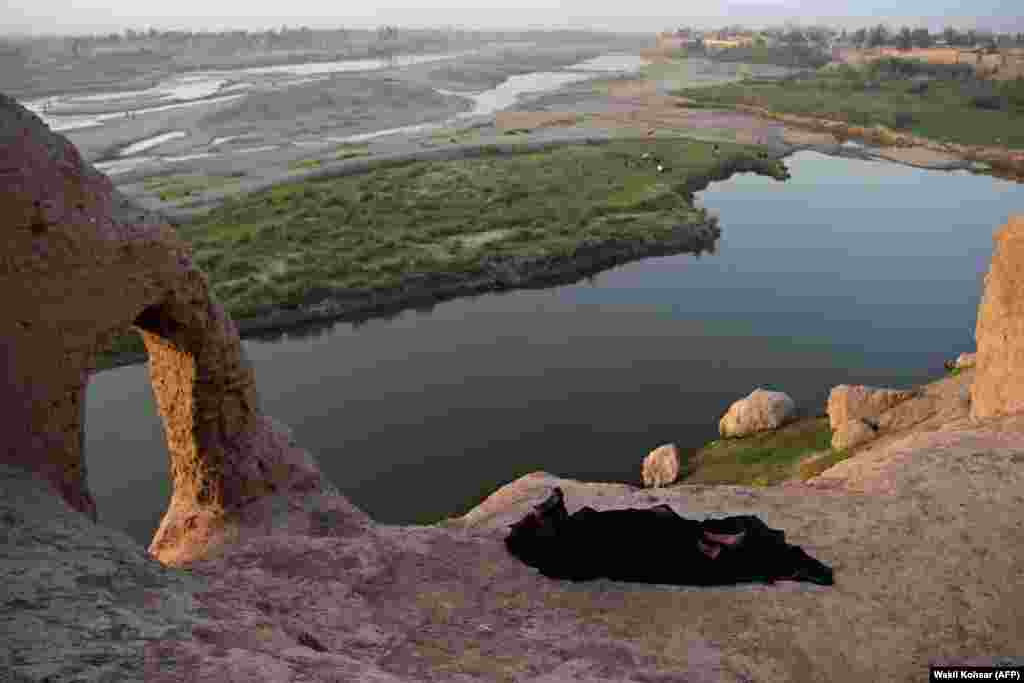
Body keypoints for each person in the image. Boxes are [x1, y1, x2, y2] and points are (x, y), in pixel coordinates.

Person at [505, 487, 834, 586]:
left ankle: (704, 539)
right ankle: (706, 542)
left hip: (607, 542)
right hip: (616, 550)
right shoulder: (561, 556)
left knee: (653, 530)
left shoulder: (571, 537)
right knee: (660, 542)